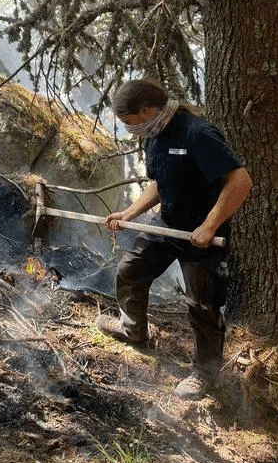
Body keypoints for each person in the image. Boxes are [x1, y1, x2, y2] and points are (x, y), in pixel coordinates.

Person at [97, 79, 252, 400]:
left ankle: (204, 374)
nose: (128, 128)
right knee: (130, 271)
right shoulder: (153, 134)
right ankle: (133, 331)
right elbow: (160, 182)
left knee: (203, 304)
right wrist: (129, 213)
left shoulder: (197, 133)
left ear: (147, 110)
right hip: (167, 222)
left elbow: (241, 179)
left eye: (129, 121)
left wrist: (209, 226)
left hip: (203, 236)